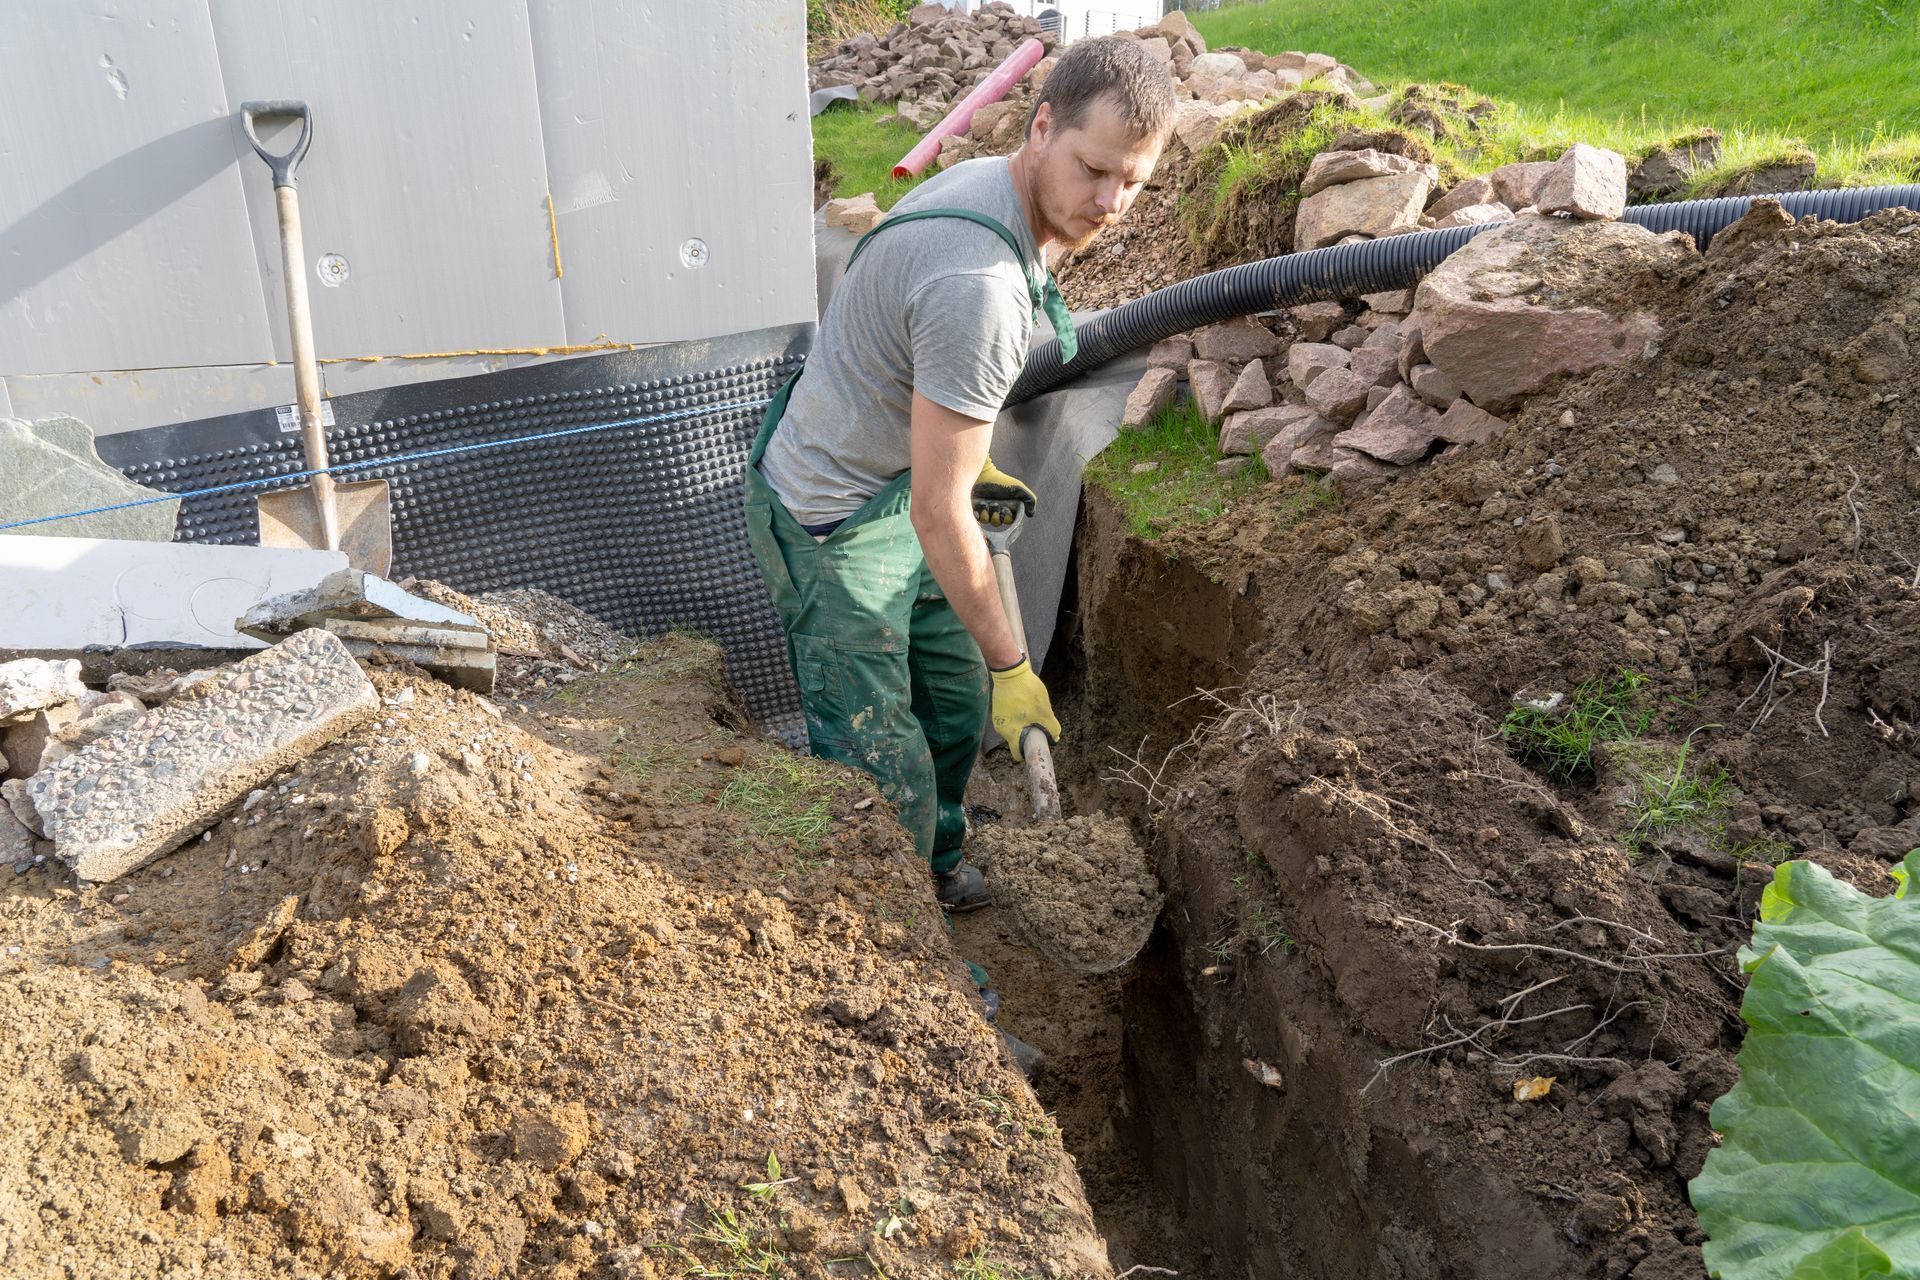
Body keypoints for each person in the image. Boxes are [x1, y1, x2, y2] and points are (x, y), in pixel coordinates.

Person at [744, 38, 1173, 917]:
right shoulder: (977, 283)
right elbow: (943, 517)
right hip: (833, 517)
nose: (1110, 203)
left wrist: (971, 467)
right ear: (1041, 127)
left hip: (902, 480)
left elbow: (926, 404)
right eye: (1094, 170)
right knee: (879, 770)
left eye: (1133, 182)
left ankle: (934, 867)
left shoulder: (1007, 190)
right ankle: (896, 941)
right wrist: (1016, 666)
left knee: (951, 699)